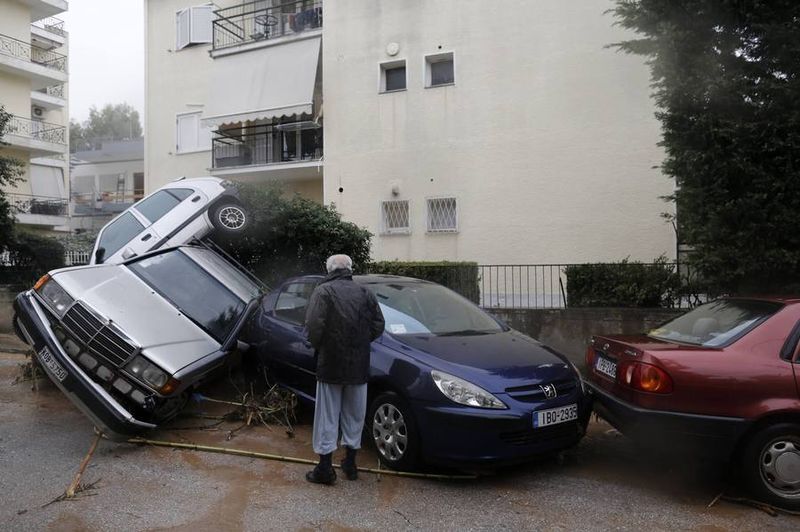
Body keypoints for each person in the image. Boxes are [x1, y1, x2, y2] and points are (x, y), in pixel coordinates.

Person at [304, 254, 385, 484]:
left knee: (327, 416)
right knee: (355, 414)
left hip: (330, 363)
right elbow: (378, 325)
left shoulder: (324, 291)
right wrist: (359, 342)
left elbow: (313, 326)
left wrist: (321, 346)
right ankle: (350, 463)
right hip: (358, 364)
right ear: (350, 268)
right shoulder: (364, 292)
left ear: (329, 269)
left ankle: (325, 469)